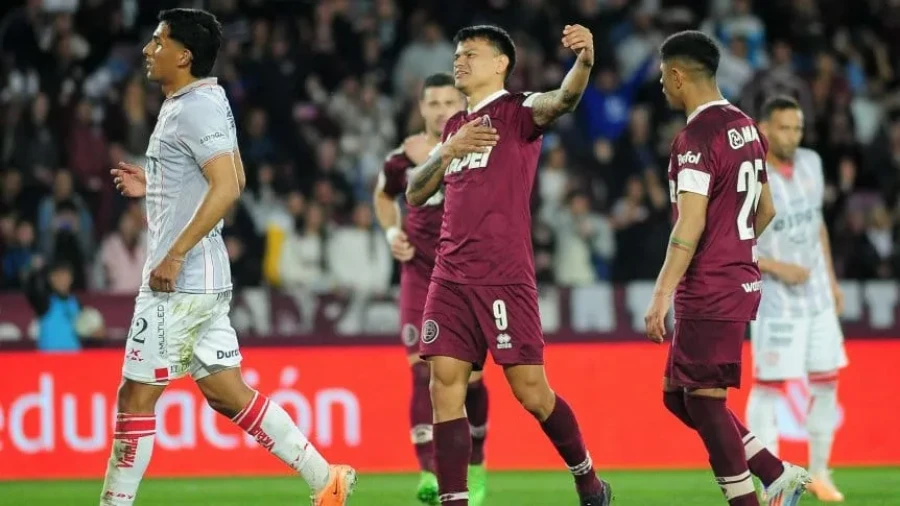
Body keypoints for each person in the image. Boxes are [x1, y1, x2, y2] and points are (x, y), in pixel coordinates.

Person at [98, 9, 355, 506]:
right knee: (227, 394)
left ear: (183, 55)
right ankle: (326, 479)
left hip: (180, 281)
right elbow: (229, 173)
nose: (148, 50)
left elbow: (229, 185)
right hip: (205, 278)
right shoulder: (204, 99)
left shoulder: (194, 108)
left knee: (135, 399)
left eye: (158, 41)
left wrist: (174, 255)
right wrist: (158, 185)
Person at [405, 24, 611, 506]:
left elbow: (564, 99)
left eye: (470, 54)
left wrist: (584, 61)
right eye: (457, 54)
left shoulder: (517, 112)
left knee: (532, 393)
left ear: (500, 64)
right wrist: (446, 151)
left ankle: (588, 479)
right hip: (448, 278)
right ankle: (455, 500)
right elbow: (415, 192)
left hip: (503, 277)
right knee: (443, 387)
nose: (459, 61)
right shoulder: (454, 129)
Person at [644, 31, 810, 506]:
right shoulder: (746, 127)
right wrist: (733, 248)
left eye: (663, 76)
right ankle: (775, 473)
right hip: (735, 280)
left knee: (704, 400)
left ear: (678, 76)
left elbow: (690, 223)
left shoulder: (694, 138)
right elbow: (767, 209)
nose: (661, 85)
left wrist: (661, 294)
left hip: (710, 286)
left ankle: (751, 499)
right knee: (678, 396)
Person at [375, 72, 491, 506]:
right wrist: (392, 234)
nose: (442, 110)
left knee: (471, 381)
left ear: (461, 105)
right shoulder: (401, 159)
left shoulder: (480, 147)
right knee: (421, 372)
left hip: (467, 278)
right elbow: (383, 197)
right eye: (434, 103)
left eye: (449, 102)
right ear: (422, 108)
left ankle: (475, 464)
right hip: (420, 276)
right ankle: (429, 471)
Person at [747, 95, 848, 502]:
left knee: (827, 382)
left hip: (818, 296)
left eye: (798, 128)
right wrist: (778, 267)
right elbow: (734, 242)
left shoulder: (812, 163)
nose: (793, 136)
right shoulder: (750, 176)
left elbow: (817, 224)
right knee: (768, 389)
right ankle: (771, 481)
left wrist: (833, 281)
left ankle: (820, 473)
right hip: (777, 302)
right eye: (785, 128)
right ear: (765, 129)